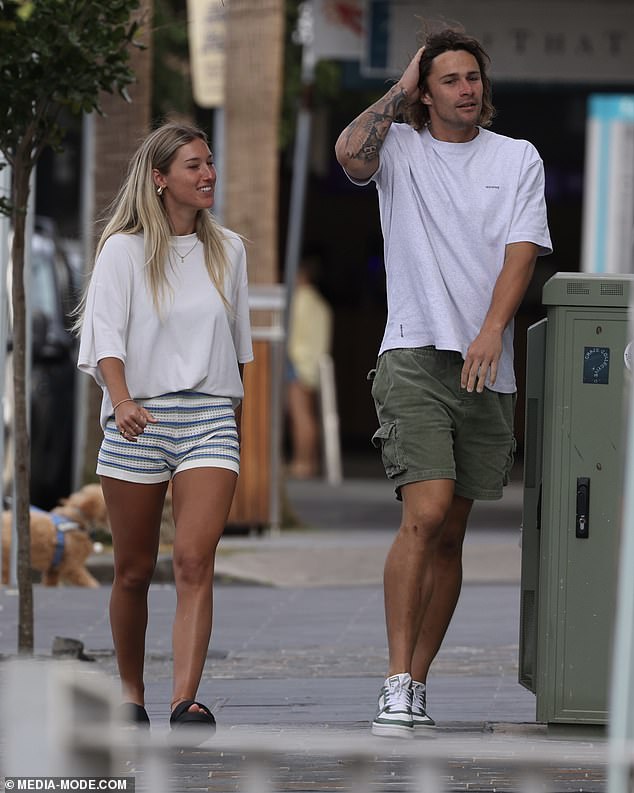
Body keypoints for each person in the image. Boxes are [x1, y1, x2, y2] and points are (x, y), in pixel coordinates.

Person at [335, 29, 551, 738]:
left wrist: (493, 328)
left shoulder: (517, 157)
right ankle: (395, 679)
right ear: (426, 91)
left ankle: (418, 681)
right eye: (451, 79)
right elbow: (348, 153)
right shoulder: (398, 149)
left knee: (452, 535)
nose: (467, 89)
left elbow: (522, 252)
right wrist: (400, 88)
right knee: (423, 515)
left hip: (489, 364)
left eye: (473, 78)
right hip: (413, 355)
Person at [76, 122, 253, 737]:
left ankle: (186, 701)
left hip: (208, 418)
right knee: (132, 569)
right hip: (137, 418)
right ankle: (130, 692)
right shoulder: (122, 250)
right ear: (159, 178)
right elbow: (105, 339)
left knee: (194, 561)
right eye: (193, 166)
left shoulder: (229, 249)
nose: (207, 175)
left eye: (210, 163)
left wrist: (237, 427)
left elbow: (240, 350)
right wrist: (119, 400)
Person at [286, 257, 333, 479]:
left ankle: (302, 462)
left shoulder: (299, 301)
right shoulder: (321, 304)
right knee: (308, 414)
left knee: (300, 415)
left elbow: (292, 333)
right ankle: (310, 461)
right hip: (314, 364)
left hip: (298, 362)